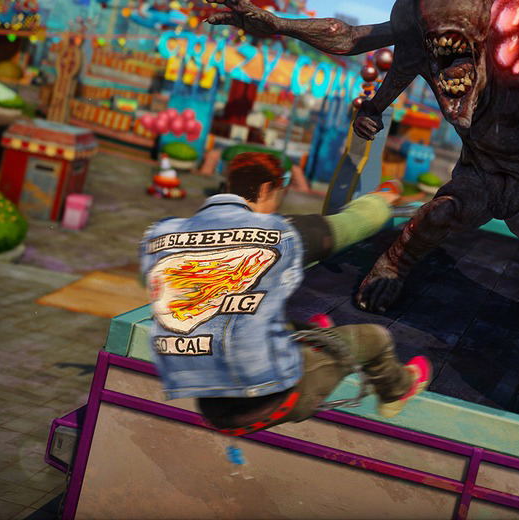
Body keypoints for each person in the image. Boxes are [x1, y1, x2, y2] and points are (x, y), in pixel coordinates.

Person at [139, 151, 429, 436]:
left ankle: (307, 337)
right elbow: (358, 221)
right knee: (375, 339)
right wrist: (384, 196)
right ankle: (397, 391)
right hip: (274, 402)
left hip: (209, 402)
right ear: (267, 189)